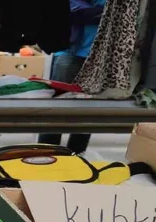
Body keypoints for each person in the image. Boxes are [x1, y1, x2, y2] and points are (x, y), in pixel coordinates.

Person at [38, 0, 106, 153]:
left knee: (89, 111)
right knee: (56, 107)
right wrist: (105, 12)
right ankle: (47, 153)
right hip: (70, 52)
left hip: (99, 57)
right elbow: (71, 11)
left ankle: (77, 154)